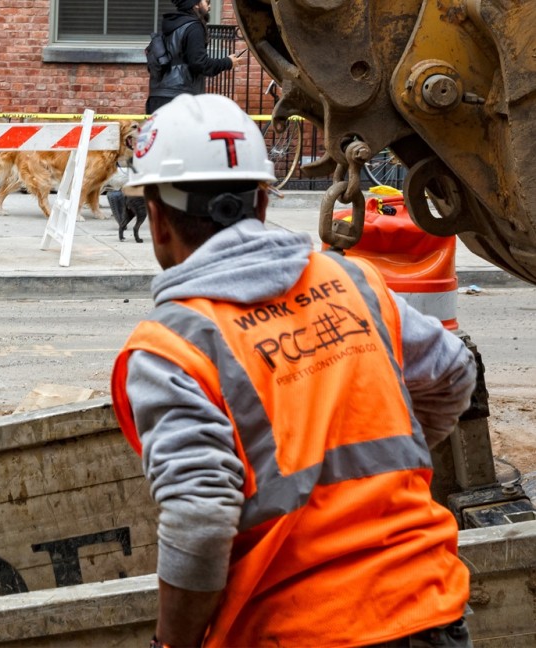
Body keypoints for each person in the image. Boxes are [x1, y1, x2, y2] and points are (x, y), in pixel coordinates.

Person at [112, 94, 476, 647]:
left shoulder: (172, 347)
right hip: (426, 604)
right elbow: (452, 371)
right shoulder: (352, 281)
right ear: (262, 202)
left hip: (299, 627)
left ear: (158, 221)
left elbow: (201, 515)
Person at [146, 0, 245, 114]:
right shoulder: (194, 27)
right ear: (196, 4)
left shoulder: (170, 26)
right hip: (180, 98)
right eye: (206, 1)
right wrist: (228, 62)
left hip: (156, 97)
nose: (210, 6)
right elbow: (199, 63)